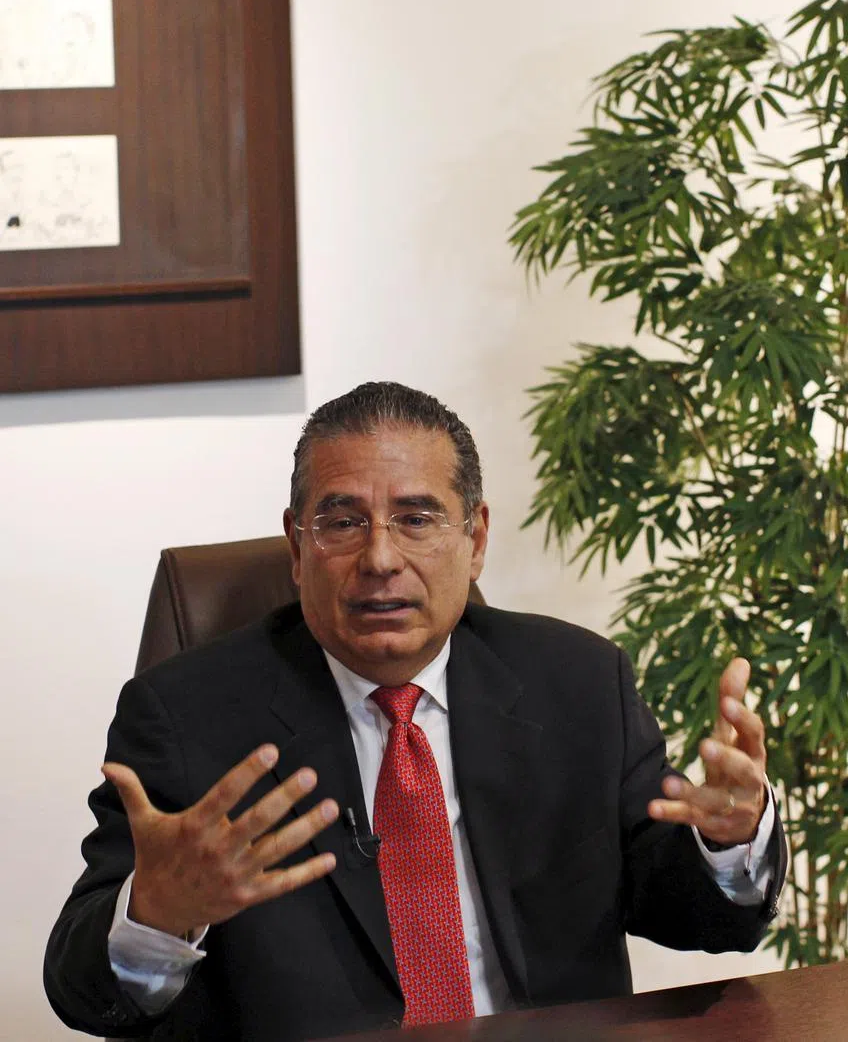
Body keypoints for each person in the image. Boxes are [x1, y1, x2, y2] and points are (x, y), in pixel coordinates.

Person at [45, 381, 786, 1041]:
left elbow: (696, 917)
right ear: (296, 550)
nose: (379, 558)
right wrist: (158, 913)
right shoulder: (186, 718)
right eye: (342, 523)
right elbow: (82, 992)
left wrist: (732, 841)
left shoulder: (579, 683)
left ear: (476, 539)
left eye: (416, 518)